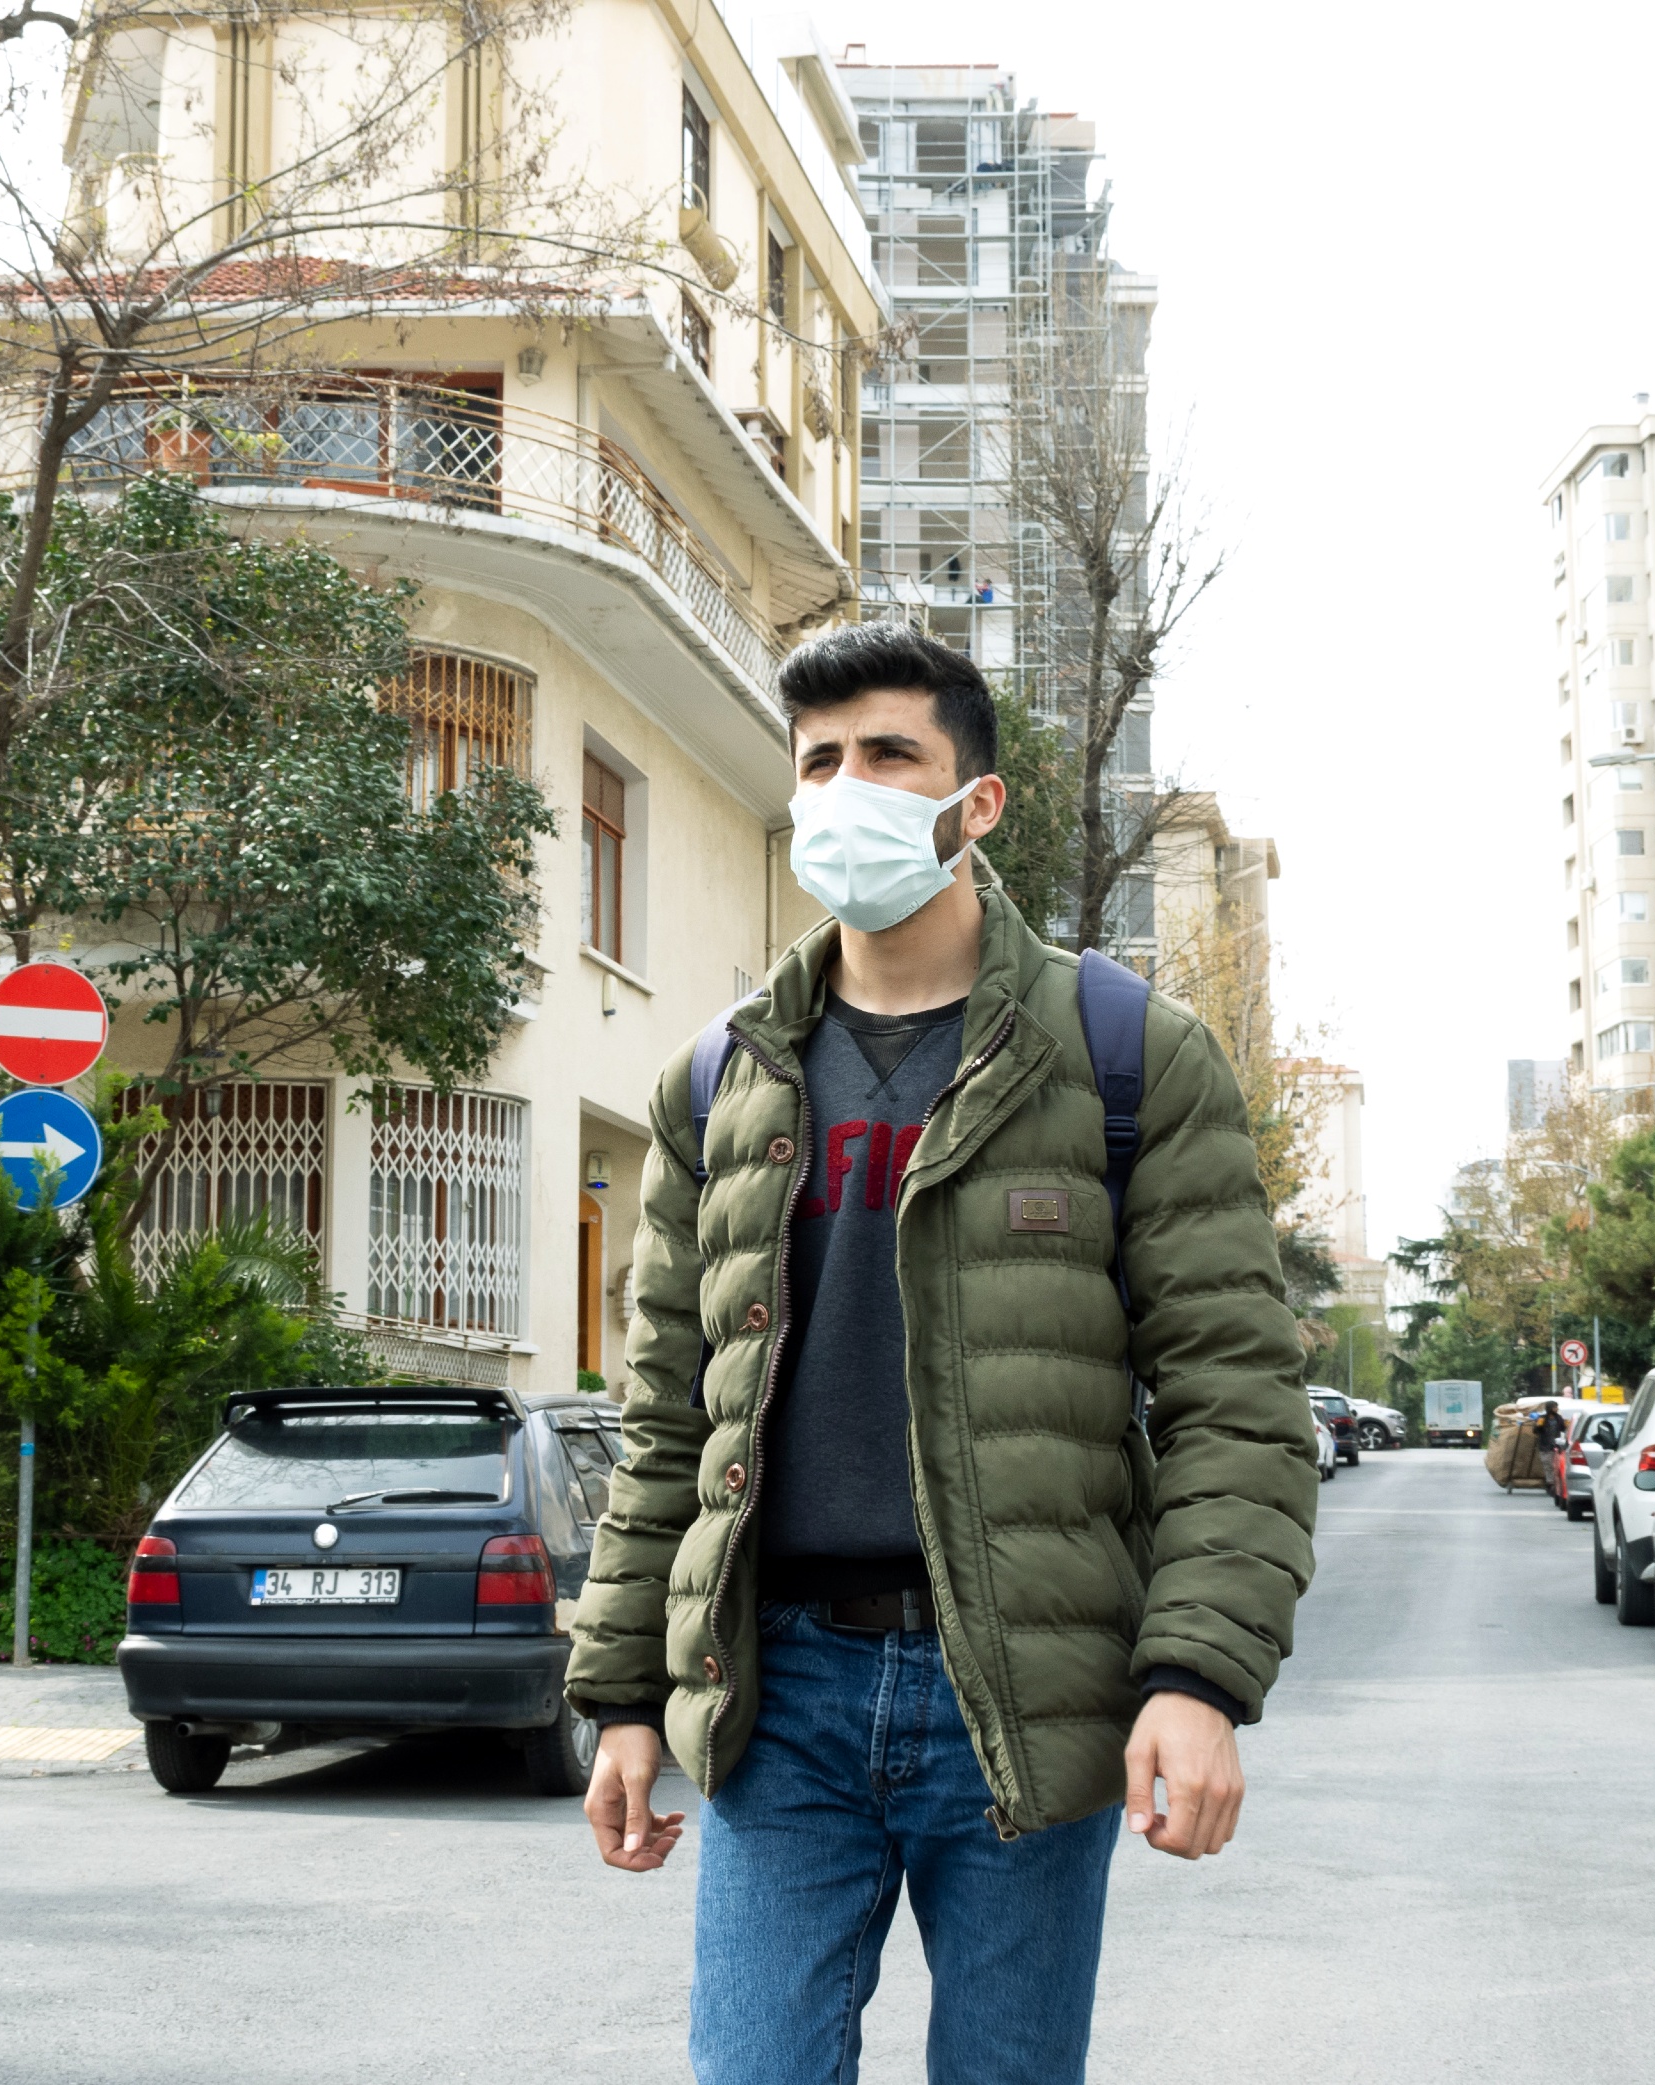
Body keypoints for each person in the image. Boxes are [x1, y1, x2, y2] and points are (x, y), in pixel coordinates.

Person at [567, 623, 1318, 2084]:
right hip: (778, 1696)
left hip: (1027, 1695)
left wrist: (1199, 1677)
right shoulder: (720, 1080)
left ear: (976, 804)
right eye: (821, 762)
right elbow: (668, 1419)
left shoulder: (1123, 1057)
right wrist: (619, 1696)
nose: (846, 788)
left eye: (889, 754)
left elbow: (1236, 1399)